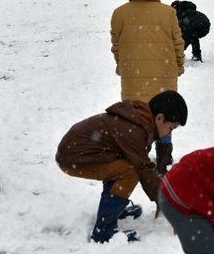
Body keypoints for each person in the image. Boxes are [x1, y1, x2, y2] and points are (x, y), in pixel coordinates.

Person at [56, 91, 187, 243]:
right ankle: (103, 232)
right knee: (130, 171)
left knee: (123, 165)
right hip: (75, 158)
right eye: (171, 128)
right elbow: (144, 168)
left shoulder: (140, 121)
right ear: (159, 118)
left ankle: (112, 212)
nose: (168, 133)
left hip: (82, 153)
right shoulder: (135, 129)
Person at [110, 0, 184, 172]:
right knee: (164, 117)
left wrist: (121, 66)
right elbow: (177, 44)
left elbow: (117, 46)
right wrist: (179, 66)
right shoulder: (167, 13)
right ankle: (164, 158)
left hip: (133, 77)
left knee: (138, 119)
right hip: (164, 76)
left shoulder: (120, 14)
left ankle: (138, 156)